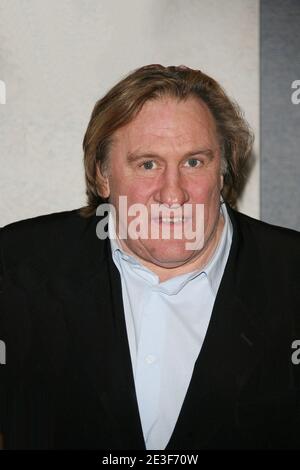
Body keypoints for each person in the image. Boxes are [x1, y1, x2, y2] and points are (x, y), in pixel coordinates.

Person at [0, 64, 299, 450]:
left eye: (194, 162)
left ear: (223, 172)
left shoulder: (291, 277)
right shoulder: (17, 268)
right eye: (147, 164)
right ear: (102, 174)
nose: (173, 194)